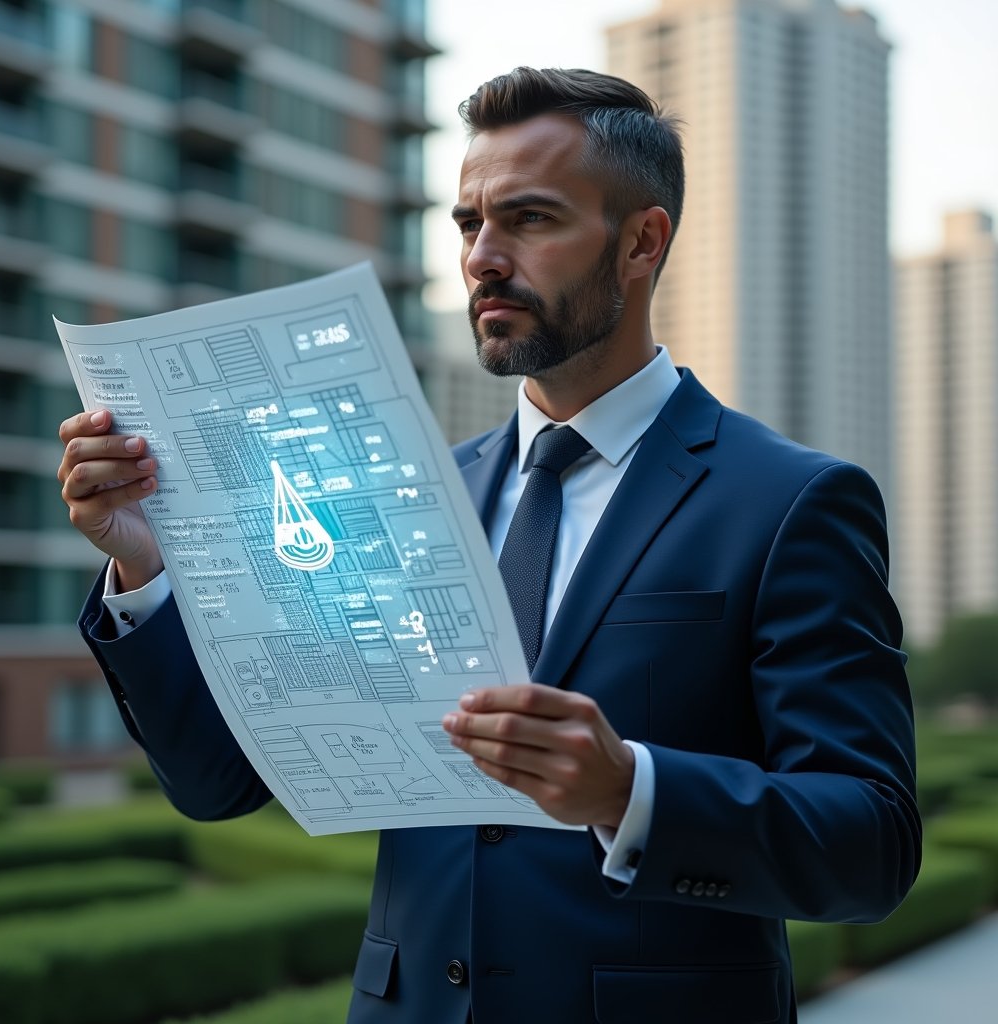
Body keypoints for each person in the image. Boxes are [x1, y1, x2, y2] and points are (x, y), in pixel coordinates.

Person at [57, 68, 920, 1024]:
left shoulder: (792, 500)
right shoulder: (396, 500)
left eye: (531, 220)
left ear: (643, 241)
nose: (481, 258)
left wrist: (630, 790)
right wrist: (146, 564)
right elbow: (220, 784)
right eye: (470, 224)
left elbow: (871, 845)